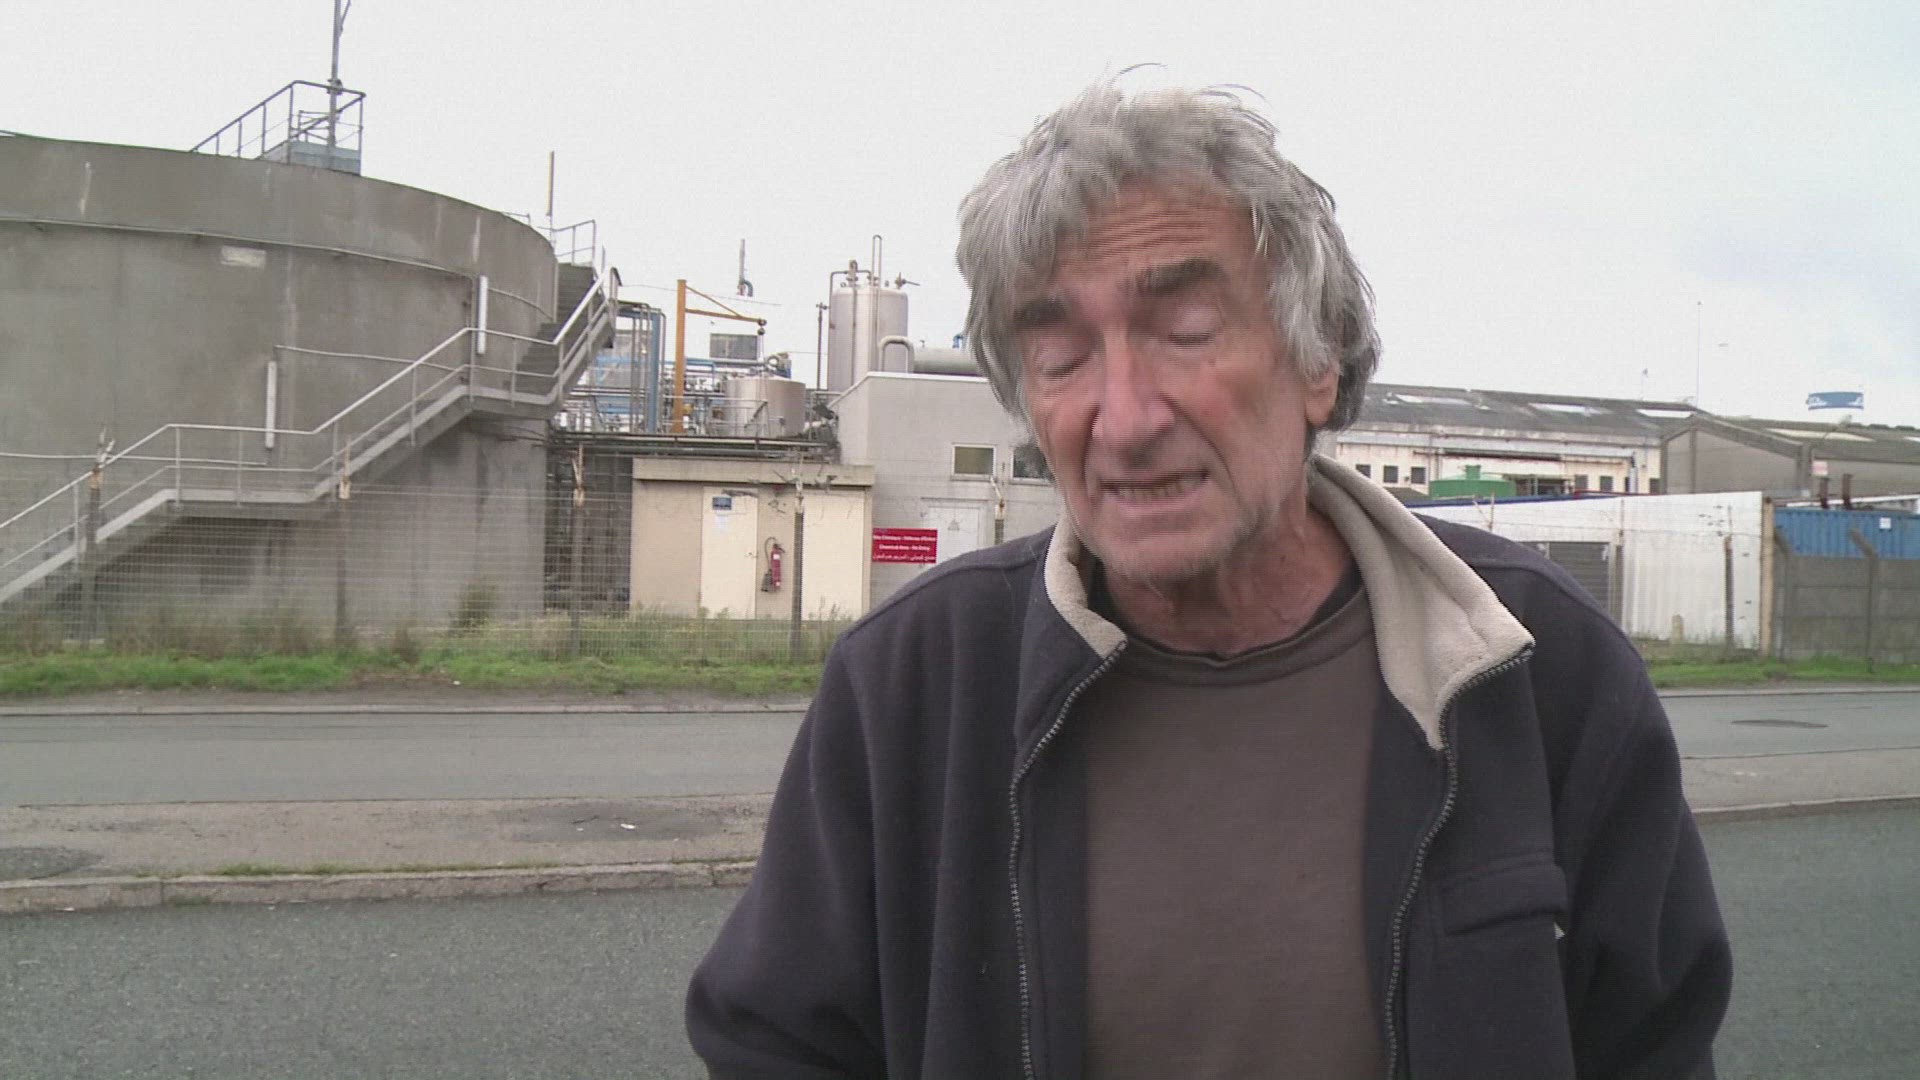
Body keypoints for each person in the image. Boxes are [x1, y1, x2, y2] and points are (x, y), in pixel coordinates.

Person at [687, 79, 1731, 1079]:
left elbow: (1653, 1045)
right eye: (1061, 358)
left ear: (1318, 361)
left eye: (1185, 332)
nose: (1125, 418)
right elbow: (776, 1045)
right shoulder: (914, 682)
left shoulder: (1538, 668)